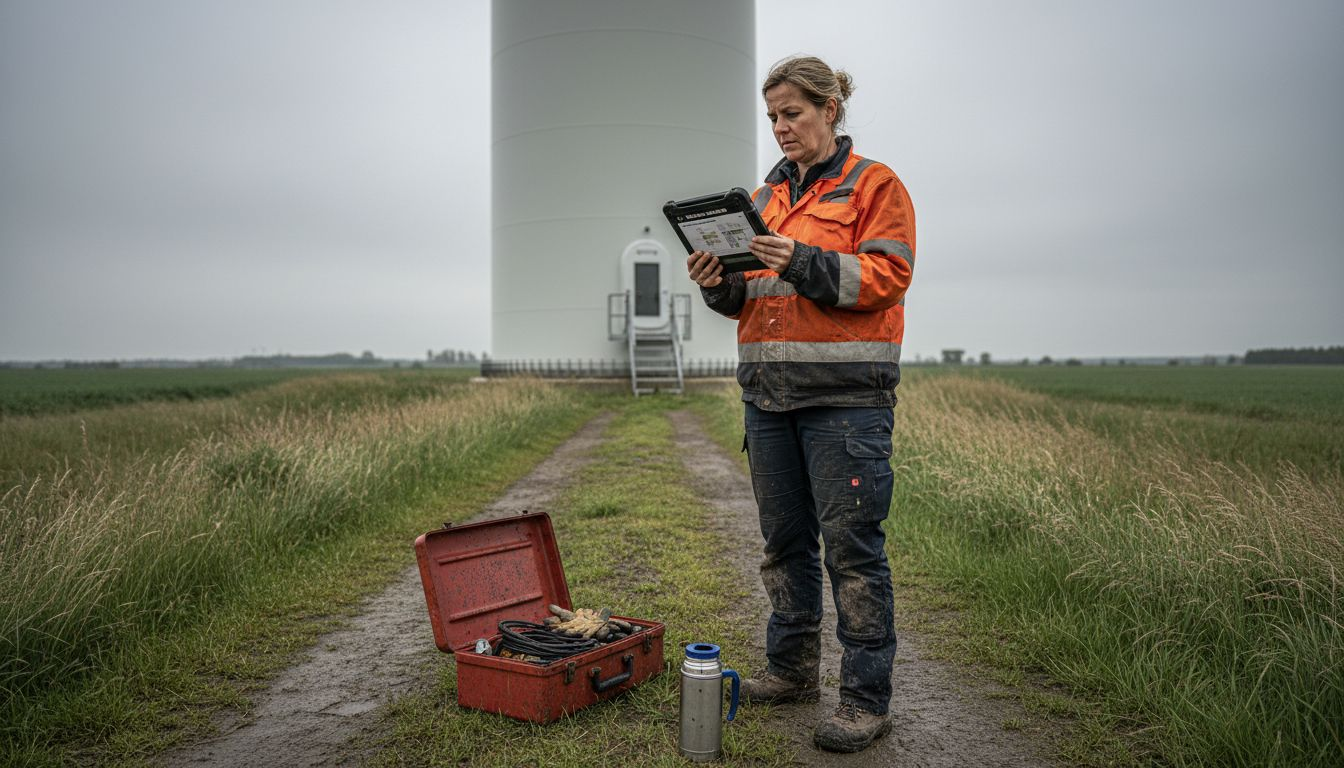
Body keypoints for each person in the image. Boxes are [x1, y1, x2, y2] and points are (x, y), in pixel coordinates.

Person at [686, 55, 915, 753]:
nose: (782, 128)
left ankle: (863, 700)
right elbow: (750, 301)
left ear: (830, 110)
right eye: (773, 117)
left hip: (846, 403)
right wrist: (715, 282)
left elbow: (887, 276)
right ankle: (791, 672)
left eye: (794, 114)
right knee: (784, 545)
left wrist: (799, 260)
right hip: (769, 400)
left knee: (852, 552)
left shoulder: (874, 186)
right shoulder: (766, 196)